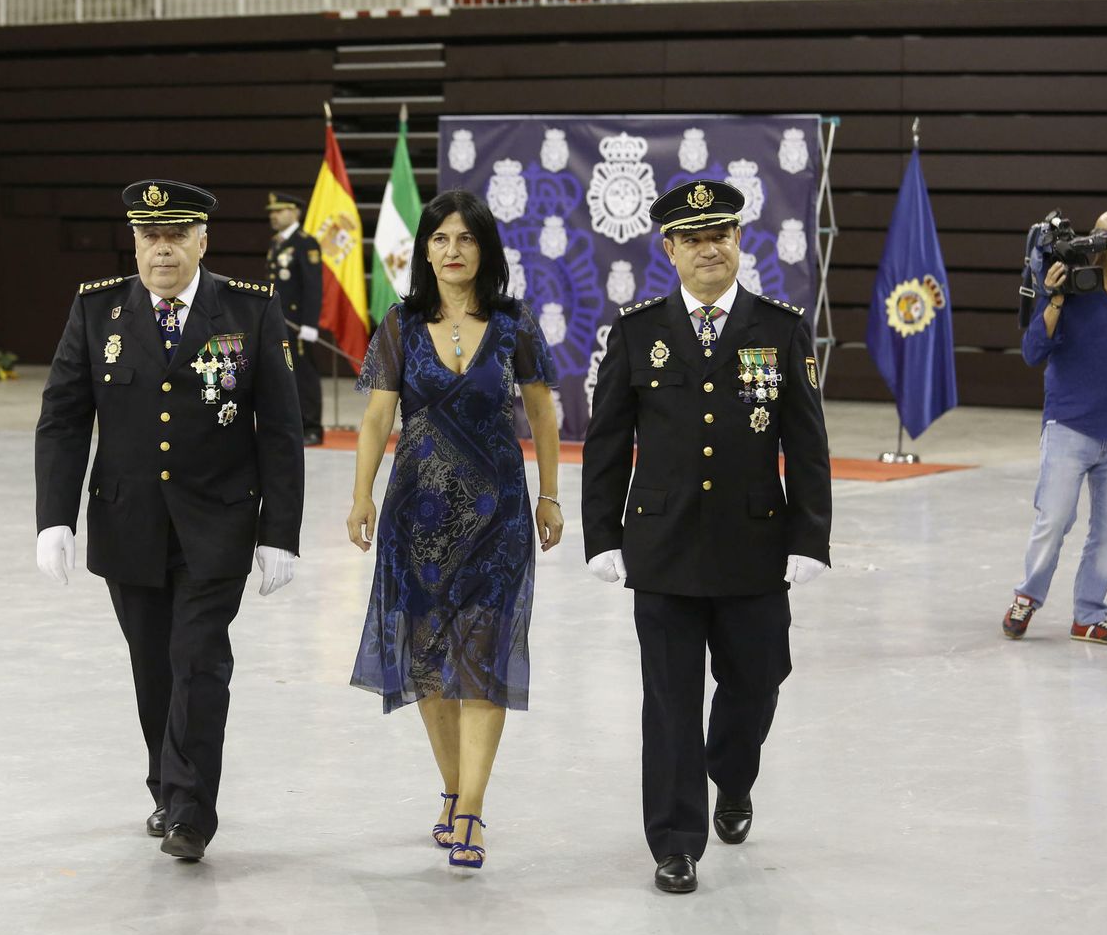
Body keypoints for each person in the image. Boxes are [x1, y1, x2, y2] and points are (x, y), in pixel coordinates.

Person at [34, 179, 304, 862]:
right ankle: (165, 786)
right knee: (153, 666)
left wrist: (280, 534)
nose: (162, 248)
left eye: (177, 234)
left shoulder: (249, 312)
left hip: (217, 525)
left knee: (199, 661)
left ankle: (190, 810)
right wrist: (53, 519)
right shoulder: (97, 312)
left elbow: (279, 429)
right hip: (128, 525)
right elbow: (64, 419)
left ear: (202, 241)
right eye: (149, 236)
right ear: (135, 241)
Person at [581, 179, 832, 895]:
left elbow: (807, 445)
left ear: (739, 241)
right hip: (661, 549)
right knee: (669, 703)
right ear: (669, 249)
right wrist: (602, 534)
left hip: (755, 545)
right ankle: (675, 841)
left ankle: (734, 774)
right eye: (693, 238)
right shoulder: (637, 333)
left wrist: (810, 537)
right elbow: (606, 445)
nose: (708, 247)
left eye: (720, 234)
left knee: (757, 682)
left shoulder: (779, 329)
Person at [346, 188, 561, 872]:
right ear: (425, 250)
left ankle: (470, 807)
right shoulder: (399, 325)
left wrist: (551, 496)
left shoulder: (515, 324)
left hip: (499, 521)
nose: (452, 250)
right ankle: (450, 788)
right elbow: (378, 417)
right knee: (429, 669)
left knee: (484, 664)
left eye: (465, 239)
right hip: (417, 520)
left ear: (484, 250)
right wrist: (361, 496)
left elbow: (545, 415)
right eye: (440, 238)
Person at [1002, 210, 1107, 646]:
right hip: (1069, 428)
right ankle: (1026, 598)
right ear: (1102, 244)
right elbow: (1033, 351)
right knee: (1054, 520)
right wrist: (1053, 299)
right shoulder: (1068, 291)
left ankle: (1089, 617)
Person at [265, 192, 325, 445]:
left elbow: (313, 287)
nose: (273, 216)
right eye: (272, 212)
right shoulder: (277, 242)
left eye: (279, 211)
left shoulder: (305, 243)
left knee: (304, 375)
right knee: (284, 374)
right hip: (281, 321)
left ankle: (312, 427)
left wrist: (310, 323)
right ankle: (295, 424)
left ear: (295, 212)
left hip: (299, 323)